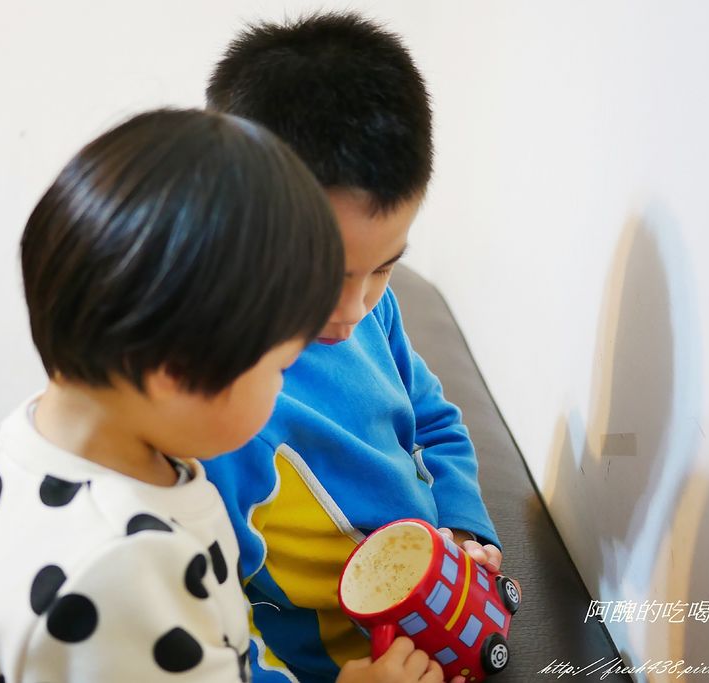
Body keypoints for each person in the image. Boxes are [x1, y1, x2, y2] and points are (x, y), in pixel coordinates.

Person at [0, 108, 440, 682]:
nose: (283, 387)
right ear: (175, 371)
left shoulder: (37, 433)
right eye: (280, 367)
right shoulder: (123, 572)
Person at [204, 14, 505, 682]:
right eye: (323, 274)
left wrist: (462, 529)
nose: (352, 310)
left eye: (384, 267)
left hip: (437, 622)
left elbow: (435, 423)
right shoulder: (211, 409)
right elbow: (209, 630)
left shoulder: (374, 313)